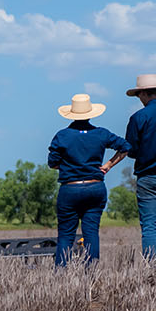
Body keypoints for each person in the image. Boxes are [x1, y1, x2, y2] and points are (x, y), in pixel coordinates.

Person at [103, 74, 156, 259]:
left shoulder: (138, 117)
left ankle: (153, 268)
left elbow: (131, 149)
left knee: (148, 226)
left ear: (143, 94)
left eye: (139, 96)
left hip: (147, 176)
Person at [48, 93, 130, 266]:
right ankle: (91, 272)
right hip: (95, 188)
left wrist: (69, 165)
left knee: (65, 235)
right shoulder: (101, 133)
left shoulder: (62, 136)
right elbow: (125, 147)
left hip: (70, 188)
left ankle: (61, 274)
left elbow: (52, 163)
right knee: (91, 232)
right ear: (91, 113)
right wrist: (108, 165)